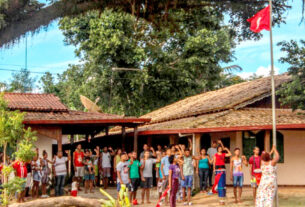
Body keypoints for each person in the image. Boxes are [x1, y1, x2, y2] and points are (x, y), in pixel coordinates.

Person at [213, 140, 231, 205]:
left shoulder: (223, 154)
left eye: (221, 148)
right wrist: (214, 169)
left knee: (223, 184)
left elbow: (230, 154)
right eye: (219, 148)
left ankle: (223, 199)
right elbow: (214, 162)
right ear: (217, 149)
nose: (220, 149)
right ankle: (220, 199)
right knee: (219, 184)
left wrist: (226, 149)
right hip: (218, 170)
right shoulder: (215, 155)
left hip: (223, 169)